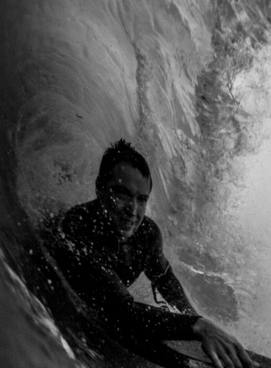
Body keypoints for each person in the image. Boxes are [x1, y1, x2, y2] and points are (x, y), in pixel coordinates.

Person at [49, 139, 253, 368]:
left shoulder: (147, 234)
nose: (133, 210)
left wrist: (193, 321)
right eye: (123, 194)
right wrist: (196, 326)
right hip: (64, 301)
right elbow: (121, 310)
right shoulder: (79, 228)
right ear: (99, 187)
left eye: (142, 199)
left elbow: (164, 278)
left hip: (111, 309)